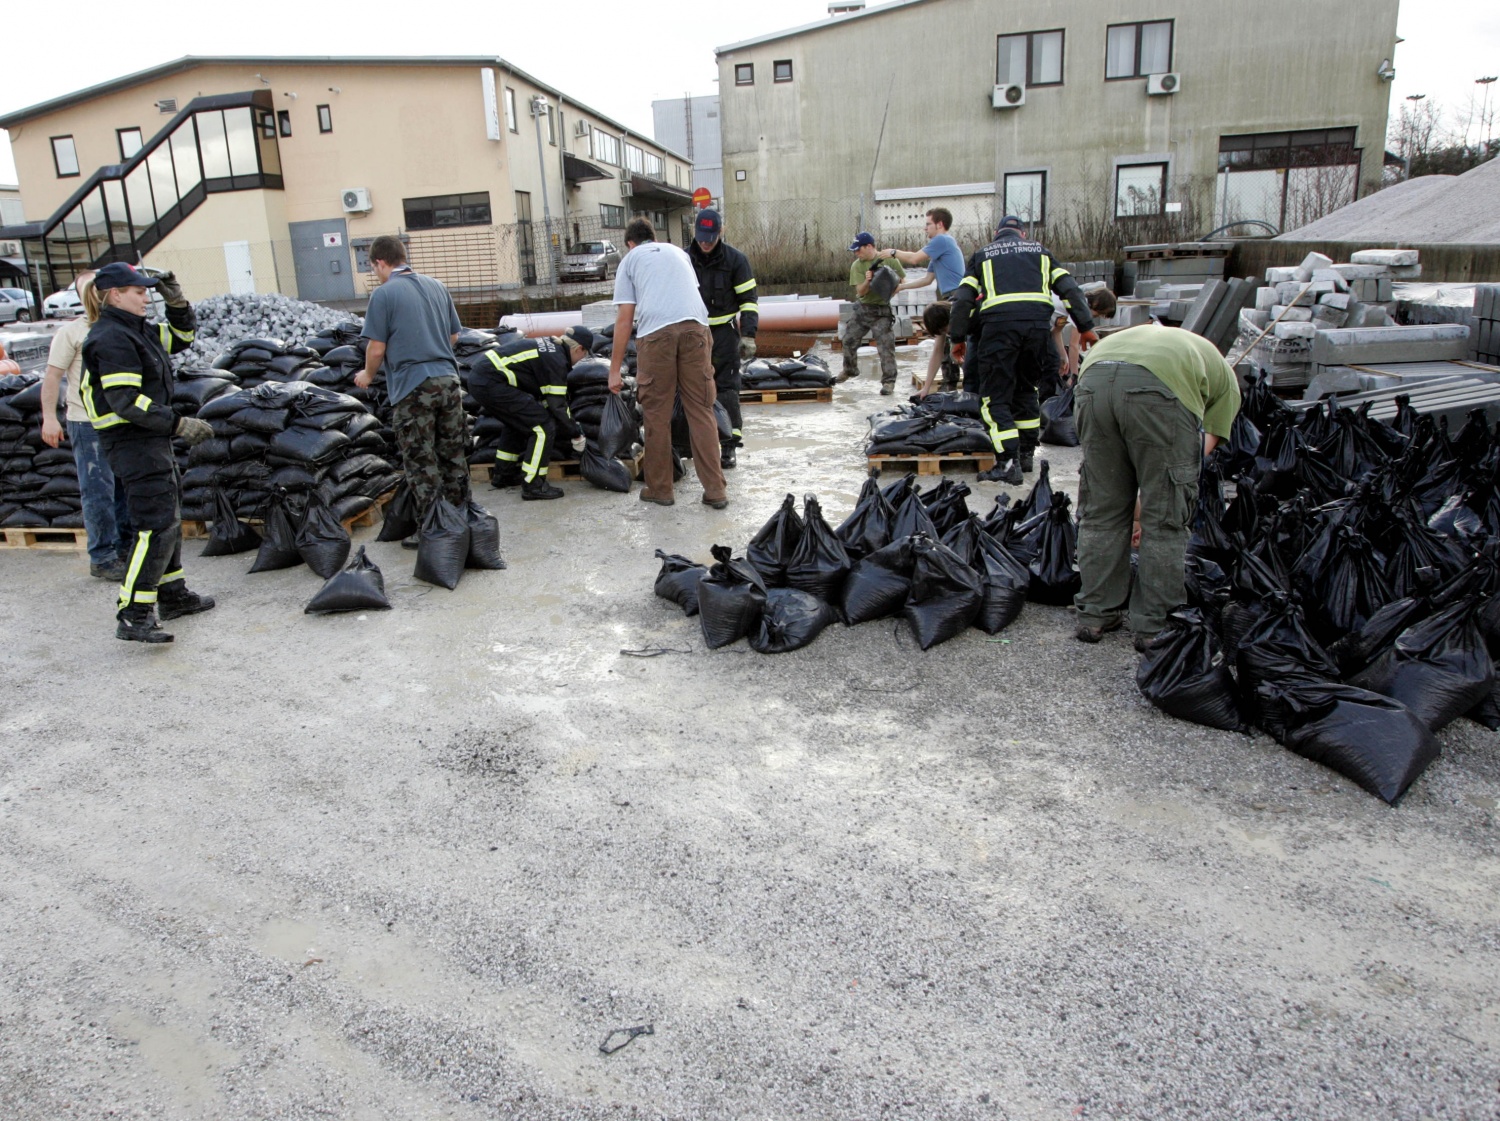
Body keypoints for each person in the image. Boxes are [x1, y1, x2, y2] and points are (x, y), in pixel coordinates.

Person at [1072, 323, 1242, 650]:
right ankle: (1153, 626)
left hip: (1093, 379)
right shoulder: (1228, 385)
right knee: (1165, 520)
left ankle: (1095, 614)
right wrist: (1148, 506)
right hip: (1157, 392)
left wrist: (1133, 506)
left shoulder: (1182, 349)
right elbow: (1193, 457)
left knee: (1100, 510)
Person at [79, 262, 214, 643]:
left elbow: (181, 338)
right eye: (138, 292)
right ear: (115, 295)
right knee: (153, 527)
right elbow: (124, 401)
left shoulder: (137, 331)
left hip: (149, 439)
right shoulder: (110, 338)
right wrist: (177, 424)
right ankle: (133, 612)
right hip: (131, 441)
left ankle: (172, 595)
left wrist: (177, 301)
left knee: (168, 520)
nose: (144, 297)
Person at [949, 215, 1097, 484]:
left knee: (994, 397)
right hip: (1037, 331)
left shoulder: (983, 255)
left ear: (996, 234)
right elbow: (1069, 288)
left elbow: (963, 299)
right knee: (1027, 390)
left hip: (999, 331)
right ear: (1023, 235)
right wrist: (1086, 325)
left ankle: (1007, 464)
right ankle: (1026, 456)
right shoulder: (1041, 252)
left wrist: (957, 337)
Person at [607, 216, 727, 509]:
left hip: (656, 335)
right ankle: (716, 491)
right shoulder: (679, 253)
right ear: (654, 238)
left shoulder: (631, 259)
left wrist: (614, 370)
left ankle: (661, 489)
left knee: (657, 414)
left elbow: (624, 320)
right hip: (696, 329)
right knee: (701, 409)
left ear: (630, 244)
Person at [356, 235, 470, 543]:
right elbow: (454, 337)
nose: (375, 273)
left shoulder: (384, 294)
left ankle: (433, 529)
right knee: (452, 453)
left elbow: (376, 348)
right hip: (448, 381)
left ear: (380, 262)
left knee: (421, 460)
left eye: (373, 267)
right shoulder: (437, 286)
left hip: (413, 387)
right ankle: (461, 519)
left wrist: (367, 374)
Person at [39, 271, 135, 581]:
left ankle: (124, 548)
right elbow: (53, 376)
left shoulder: (119, 328)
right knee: (98, 491)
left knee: (123, 489)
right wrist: (50, 418)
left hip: (119, 421)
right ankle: (103, 556)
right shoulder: (73, 332)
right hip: (86, 422)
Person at [469, 326, 592, 501]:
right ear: (579, 348)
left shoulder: (552, 347)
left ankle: (504, 475)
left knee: (517, 424)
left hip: (483, 378)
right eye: (585, 354)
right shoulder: (557, 360)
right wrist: (575, 433)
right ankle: (533, 485)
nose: (582, 359)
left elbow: (545, 395)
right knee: (543, 427)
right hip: (492, 382)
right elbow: (557, 405)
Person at [687, 208, 757, 470]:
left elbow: (749, 301)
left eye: (711, 237)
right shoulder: (684, 259)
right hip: (692, 335)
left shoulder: (736, 260)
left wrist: (748, 334)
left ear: (720, 232)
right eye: (701, 237)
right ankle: (691, 443)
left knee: (726, 389)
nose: (705, 242)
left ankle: (728, 446)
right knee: (692, 389)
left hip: (724, 334)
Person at [878, 208, 965, 396]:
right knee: (940, 345)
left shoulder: (942, 240)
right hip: (951, 297)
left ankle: (953, 387)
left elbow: (914, 258)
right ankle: (940, 388)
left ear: (940, 224)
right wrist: (901, 287)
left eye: (928, 224)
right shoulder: (940, 250)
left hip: (957, 297)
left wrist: (893, 252)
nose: (925, 228)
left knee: (950, 346)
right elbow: (927, 280)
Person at [837, 232, 905, 395]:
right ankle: (850, 370)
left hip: (882, 311)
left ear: (869, 246)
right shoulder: (857, 266)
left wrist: (889, 289)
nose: (856, 253)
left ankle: (889, 382)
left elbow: (902, 281)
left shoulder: (889, 259)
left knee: (885, 346)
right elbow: (860, 291)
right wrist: (868, 280)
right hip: (863, 309)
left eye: (858, 250)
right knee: (849, 340)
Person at [1041, 288, 1117, 403]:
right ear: (1096, 304)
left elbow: (1056, 332)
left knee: (1053, 361)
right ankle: (1045, 403)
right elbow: (1074, 345)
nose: (1096, 317)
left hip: (1040, 326)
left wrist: (1064, 356)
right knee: (1051, 363)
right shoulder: (1080, 307)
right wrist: (1074, 376)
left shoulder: (1072, 303)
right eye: (1100, 314)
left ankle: (1046, 403)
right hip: (1031, 323)